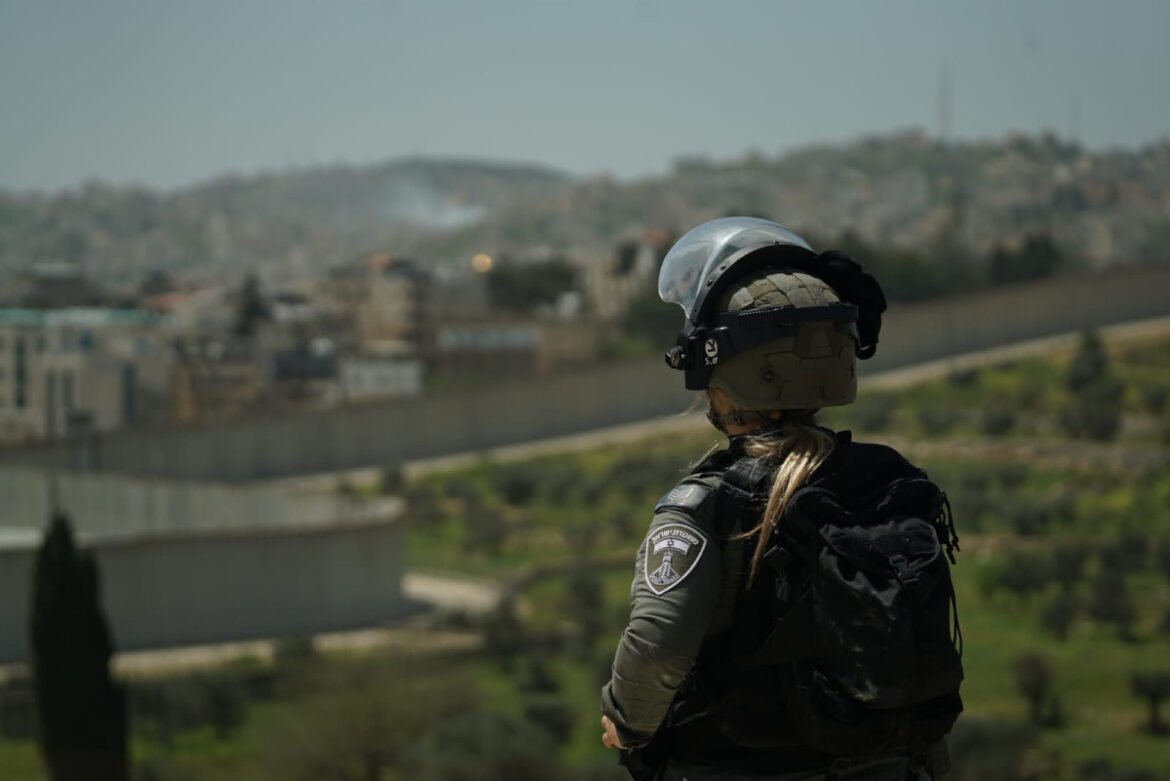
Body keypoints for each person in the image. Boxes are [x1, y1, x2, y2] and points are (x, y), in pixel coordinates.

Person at [599, 217, 961, 781]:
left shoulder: (705, 506)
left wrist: (627, 722)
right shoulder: (889, 482)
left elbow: (657, 648)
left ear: (726, 370)